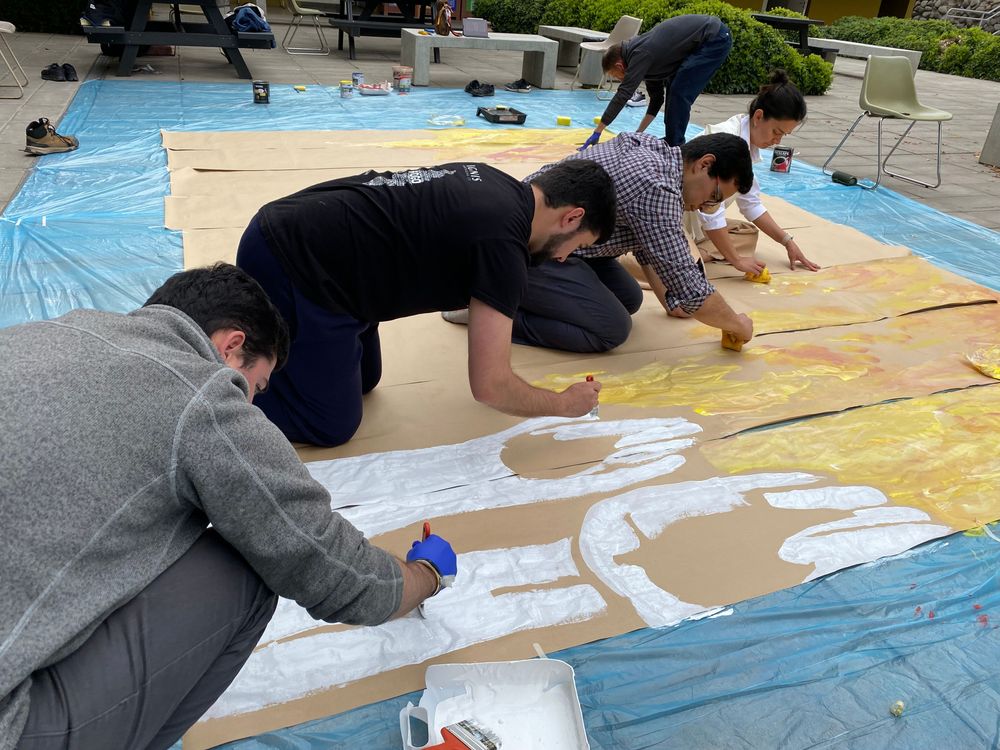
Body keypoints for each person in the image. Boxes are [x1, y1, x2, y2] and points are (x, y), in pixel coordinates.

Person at [0, 264, 456, 750]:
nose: (252, 404)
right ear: (231, 347)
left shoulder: (42, 333)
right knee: (243, 567)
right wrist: (426, 573)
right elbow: (321, 560)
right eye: (256, 386)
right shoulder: (200, 396)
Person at [236, 160, 617, 447]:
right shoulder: (503, 246)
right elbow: (490, 386)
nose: (566, 258)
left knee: (366, 381)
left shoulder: (500, 186)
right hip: (292, 262)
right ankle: (222, 388)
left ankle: (276, 351)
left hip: (322, 253)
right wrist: (564, 405)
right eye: (577, 245)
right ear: (572, 217)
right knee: (329, 425)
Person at [495, 132, 755, 353]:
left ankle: (513, 293)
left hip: (568, 242)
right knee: (612, 328)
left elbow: (650, 244)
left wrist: (670, 302)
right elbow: (688, 283)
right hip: (533, 247)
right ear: (704, 164)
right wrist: (736, 323)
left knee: (629, 298)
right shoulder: (655, 187)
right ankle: (493, 310)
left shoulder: (653, 151)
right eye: (713, 197)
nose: (703, 206)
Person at [686, 69, 820, 274]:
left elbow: (751, 203)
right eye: (776, 132)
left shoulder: (748, 146)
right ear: (758, 117)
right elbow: (711, 210)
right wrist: (736, 260)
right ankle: (688, 255)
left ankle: (693, 252)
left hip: (699, 222)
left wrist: (787, 242)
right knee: (717, 230)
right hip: (680, 216)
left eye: (783, 135)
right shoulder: (728, 140)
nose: (777, 141)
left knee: (746, 233)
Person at [580, 14, 733, 149]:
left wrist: (598, 131)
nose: (620, 79)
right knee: (674, 88)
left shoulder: (640, 54)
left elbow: (623, 94)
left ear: (620, 65)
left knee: (679, 92)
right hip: (703, 40)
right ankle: (673, 140)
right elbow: (656, 99)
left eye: (617, 75)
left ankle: (675, 144)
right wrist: (638, 134)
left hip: (714, 38)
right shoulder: (645, 63)